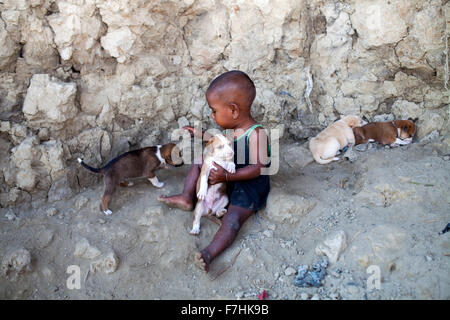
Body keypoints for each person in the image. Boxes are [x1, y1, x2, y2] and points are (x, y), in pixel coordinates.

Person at [159, 70, 271, 272]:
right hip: (230, 176)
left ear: (233, 110)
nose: (212, 115)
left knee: (232, 219)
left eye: (214, 111)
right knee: (201, 160)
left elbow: (259, 168)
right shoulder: (234, 127)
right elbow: (220, 142)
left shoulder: (257, 134)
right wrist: (202, 135)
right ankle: (186, 196)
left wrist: (227, 176)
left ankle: (209, 253)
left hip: (249, 187)